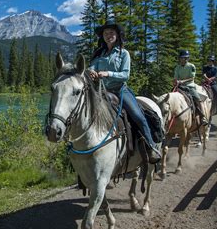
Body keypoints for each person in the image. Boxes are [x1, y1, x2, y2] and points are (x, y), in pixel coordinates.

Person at [88, 22, 161, 161]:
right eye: (106, 33)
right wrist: (91, 71)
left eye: (111, 33)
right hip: (102, 91)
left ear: (117, 35)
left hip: (120, 90)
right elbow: (91, 67)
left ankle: (151, 147)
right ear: (102, 37)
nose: (108, 36)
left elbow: (125, 75)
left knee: (138, 116)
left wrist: (108, 73)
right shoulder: (100, 54)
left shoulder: (124, 53)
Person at [174, 50, 208, 125]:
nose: (184, 59)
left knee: (198, 99)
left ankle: (203, 117)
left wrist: (182, 81)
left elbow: (192, 78)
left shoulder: (191, 66)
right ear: (180, 58)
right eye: (182, 58)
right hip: (179, 86)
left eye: (186, 58)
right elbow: (175, 78)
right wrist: (176, 82)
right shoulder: (177, 67)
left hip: (189, 86)